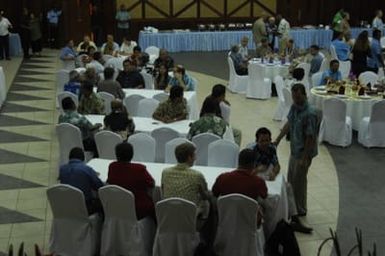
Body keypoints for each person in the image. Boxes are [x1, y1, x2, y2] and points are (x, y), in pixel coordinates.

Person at [248, 127, 313, 233]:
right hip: (256, 179)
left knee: (287, 187)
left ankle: (294, 218)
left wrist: (274, 172)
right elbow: (246, 172)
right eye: (262, 141)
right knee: (273, 197)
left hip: (269, 176)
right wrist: (257, 170)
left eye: (267, 140)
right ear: (257, 141)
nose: (265, 143)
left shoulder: (271, 148)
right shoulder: (251, 152)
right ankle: (276, 223)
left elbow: (277, 164)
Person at [274, 83, 319, 218]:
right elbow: (289, 123)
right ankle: (292, 207)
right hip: (294, 150)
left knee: (299, 182)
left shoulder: (310, 113)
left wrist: (304, 158)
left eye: (298, 97)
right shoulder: (294, 107)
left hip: (303, 153)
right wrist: (278, 139)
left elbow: (310, 138)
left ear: (304, 95)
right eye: (294, 97)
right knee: (291, 180)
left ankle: (301, 210)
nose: (296, 100)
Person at [161, 142, 209, 220]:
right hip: (188, 217)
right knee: (207, 203)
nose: (195, 158)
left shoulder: (165, 172)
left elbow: (163, 191)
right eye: (194, 155)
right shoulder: (197, 175)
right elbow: (205, 196)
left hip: (169, 215)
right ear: (189, 157)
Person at [107, 142, 155, 220]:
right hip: (137, 208)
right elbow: (151, 184)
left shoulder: (112, 166)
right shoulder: (139, 169)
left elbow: (109, 181)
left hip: (117, 206)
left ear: (116, 154)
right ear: (132, 154)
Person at [59, 147, 104, 215]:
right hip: (85, 206)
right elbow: (99, 187)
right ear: (83, 158)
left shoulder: (62, 169)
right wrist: (94, 175)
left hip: (67, 205)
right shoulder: (87, 169)